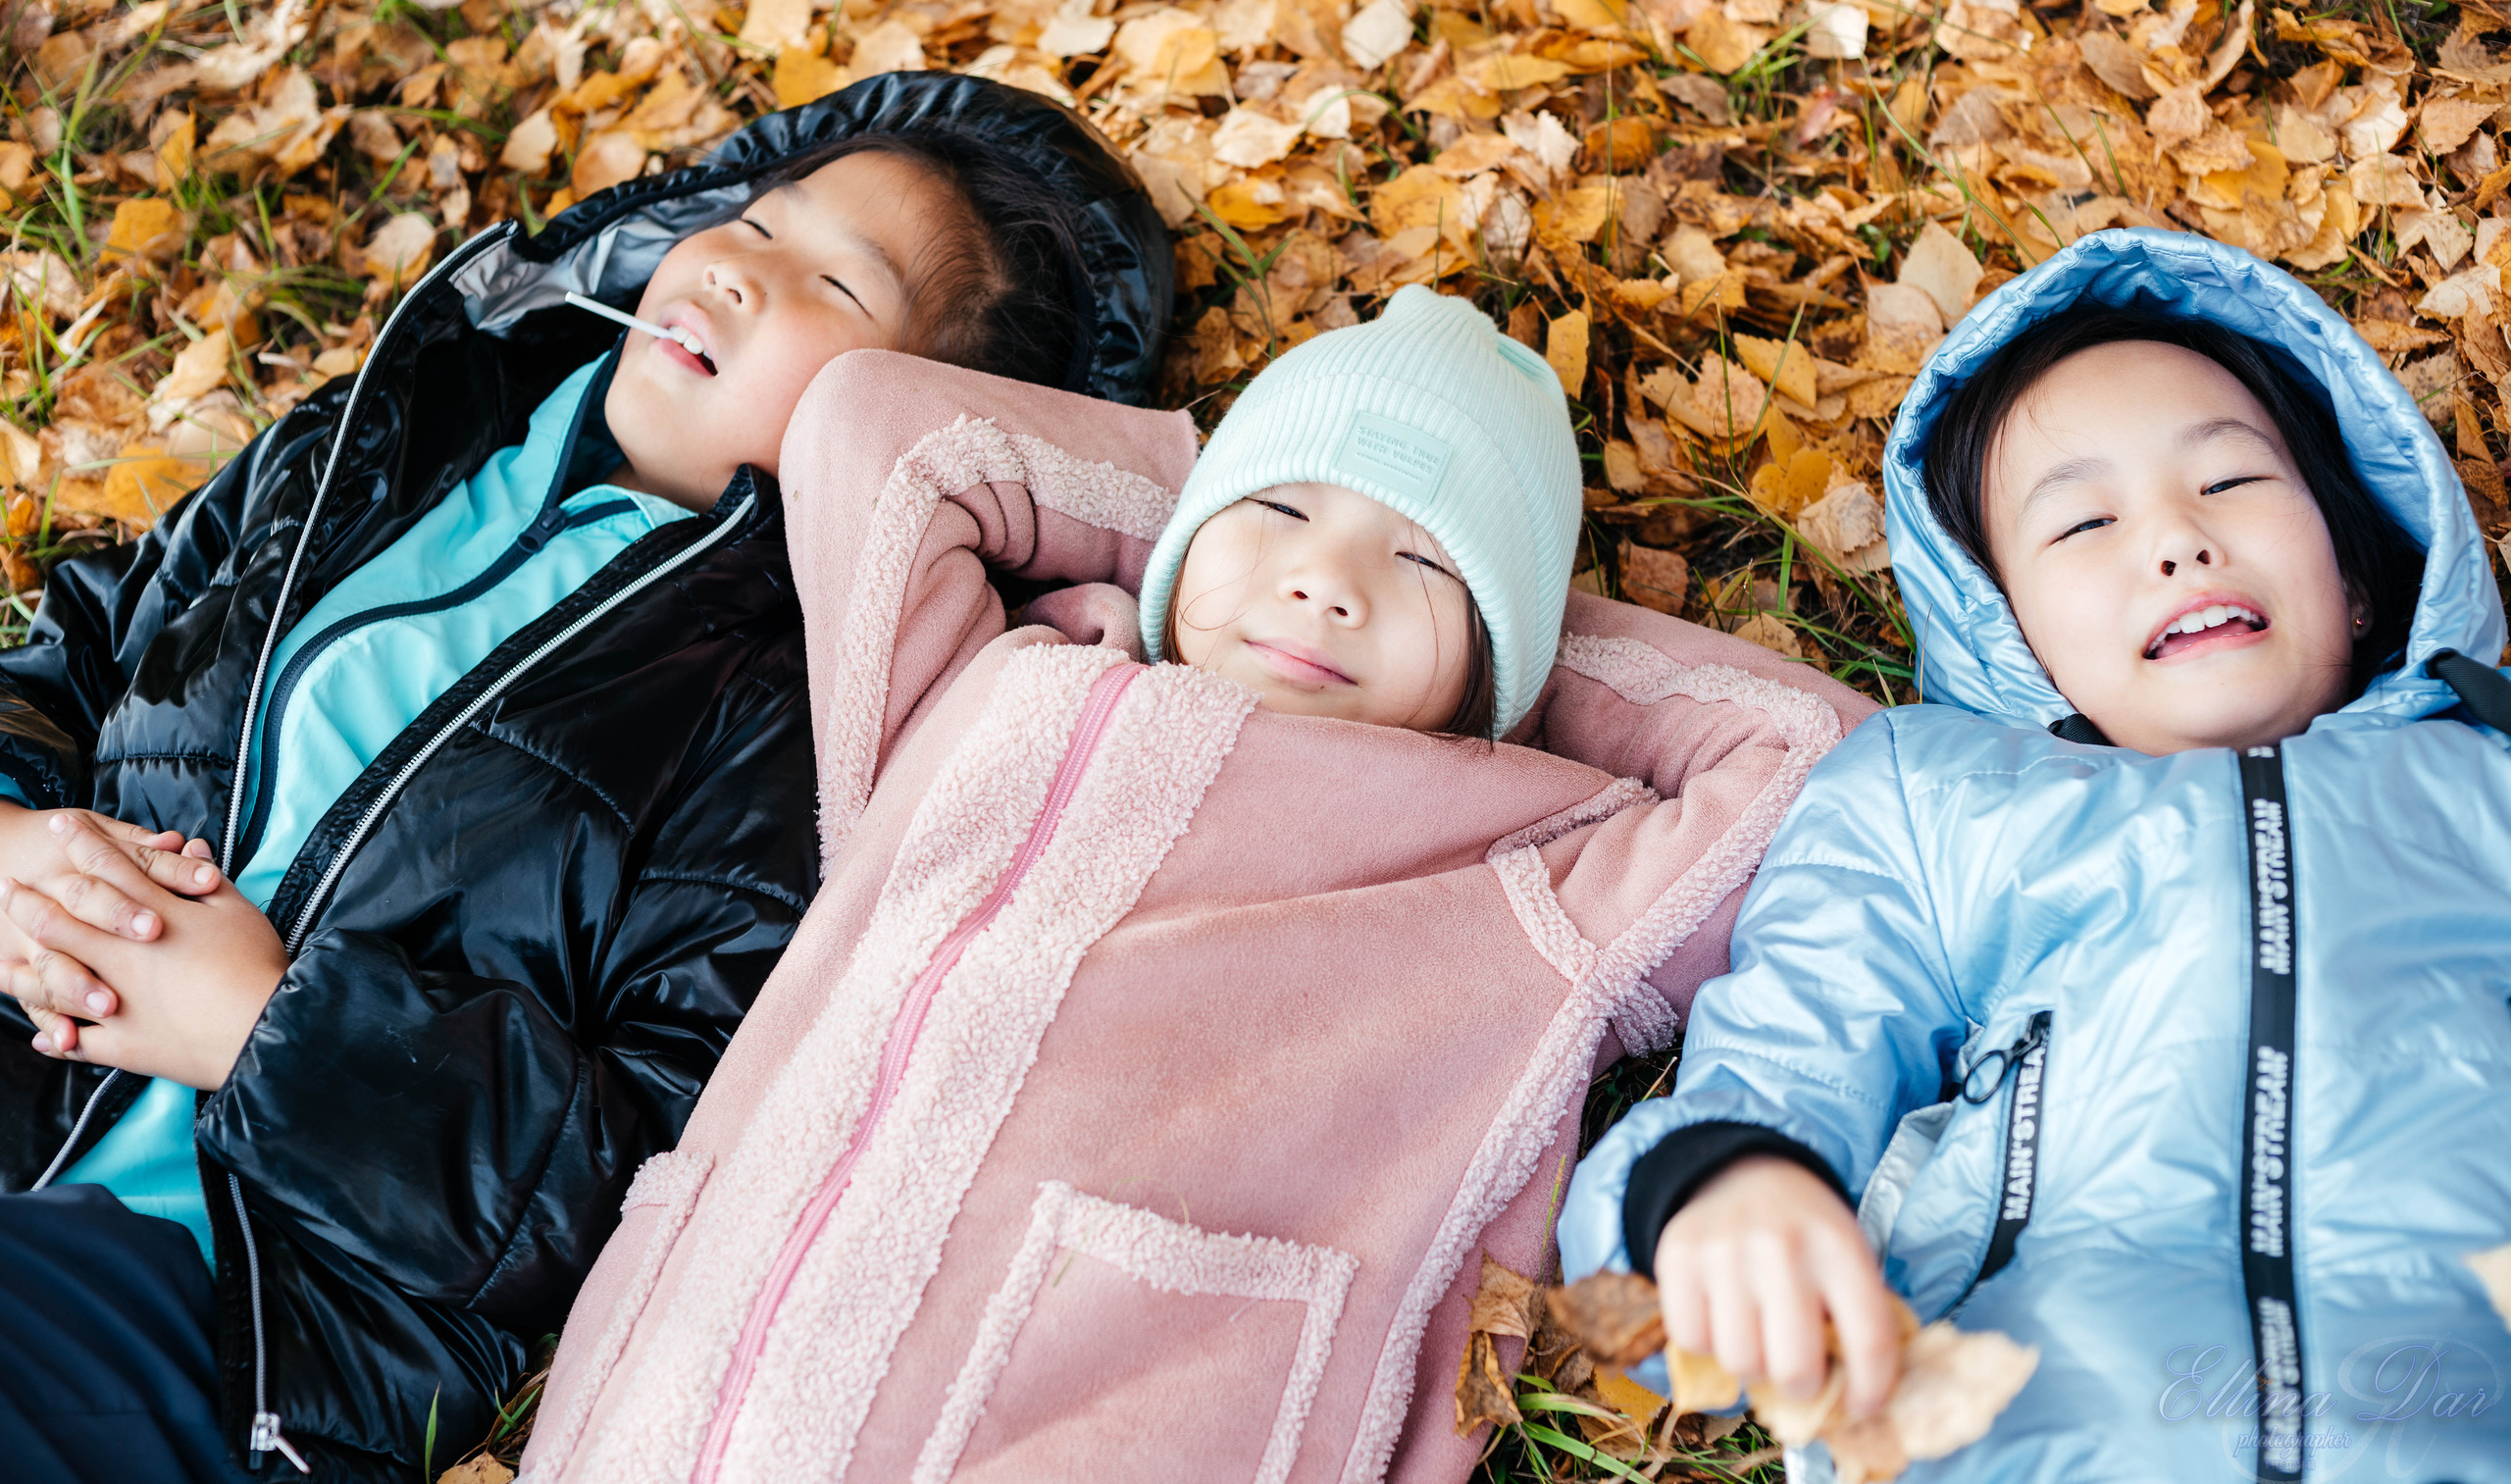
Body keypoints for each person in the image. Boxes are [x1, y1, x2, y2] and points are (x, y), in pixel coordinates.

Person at [0, 72, 1173, 1484]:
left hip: (228, 1292)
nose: (738, 267)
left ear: (914, 420)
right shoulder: (409, 422)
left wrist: (273, 1035)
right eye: (753, 218)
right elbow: (78, 648)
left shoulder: (795, 722)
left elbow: (641, 1190)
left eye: (832, 284)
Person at [521, 284, 1872, 1484]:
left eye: (1419, 570)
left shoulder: (1535, 878)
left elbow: (1812, 759)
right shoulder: (975, 694)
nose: (1325, 581)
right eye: (1279, 513)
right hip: (689, 1387)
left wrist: (1513, 668)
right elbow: (881, 427)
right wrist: (1210, 510)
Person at [1559, 228, 2511, 1483]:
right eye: (2082, 525)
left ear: (2360, 578)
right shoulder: (1934, 798)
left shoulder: (2486, 779)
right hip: (2048, 1431)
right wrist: (1719, 1188)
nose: (2175, 539)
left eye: (2231, 484)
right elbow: (1798, 1036)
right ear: (2012, 640)